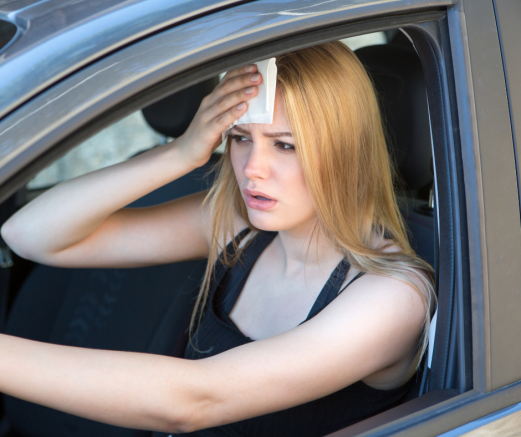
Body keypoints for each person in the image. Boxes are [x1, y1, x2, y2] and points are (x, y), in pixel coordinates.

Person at [0, 41, 434, 436]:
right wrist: (182, 153)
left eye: (285, 146)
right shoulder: (239, 225)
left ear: (347, 149)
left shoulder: (392, 296)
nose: (251, 169)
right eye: (241, 138)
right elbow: (29, 235)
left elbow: (193, 400)